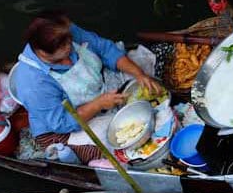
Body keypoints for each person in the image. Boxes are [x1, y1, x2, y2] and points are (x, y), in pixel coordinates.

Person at [11, 10, 162, 163]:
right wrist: (98, 105)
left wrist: (139, 74)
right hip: (64, 127)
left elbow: (105, 49)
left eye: (70, 42)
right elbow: (62, 123)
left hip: (99, 86)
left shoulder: (64, 31)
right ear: (43, 52)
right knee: (111, 151)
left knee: (144, 69)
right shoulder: (33, 84)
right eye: (64, 50)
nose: (71, 47)